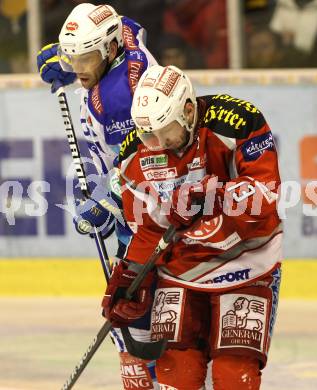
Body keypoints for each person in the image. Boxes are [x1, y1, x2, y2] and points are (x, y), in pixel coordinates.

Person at [103, 64, 283, 389]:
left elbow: (266, 194)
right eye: (148, 134)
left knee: (233, 378)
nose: (158, 143)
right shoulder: (135, 152)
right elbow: (148, 228)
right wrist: (131, 275)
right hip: (180, 272)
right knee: (176, 376)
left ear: (188, 111)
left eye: (164, 130)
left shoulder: (237, 121)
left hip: (245, 267)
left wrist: (216, 197)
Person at [37, 3, 159, 389]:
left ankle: (152, 375)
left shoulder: (119, 97)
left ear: (108, 50)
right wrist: (68, 56)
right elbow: (129, 25)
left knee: (134, 309)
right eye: (72, 57)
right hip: (140, 195)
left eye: (84, 58)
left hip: (151, 208)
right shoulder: (121, 37)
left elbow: (144, 162)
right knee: (132, 304)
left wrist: (110, 198)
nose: (77, 68)